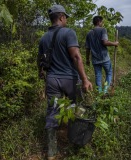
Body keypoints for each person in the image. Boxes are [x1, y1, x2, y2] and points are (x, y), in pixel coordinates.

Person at [38, 4, 93, 160]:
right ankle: (74, 138)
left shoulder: (44, 37)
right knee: (77, 107)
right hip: (70, 79)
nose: (67, 20)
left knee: (52, 111)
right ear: (61, 17)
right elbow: (76, 57)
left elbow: (40, 60)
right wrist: (85, 79)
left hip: (52, 79)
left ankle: (51, 151)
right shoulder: (69, 33)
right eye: (66, 17)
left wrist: (40, 74)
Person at [85, 16, 119, 94]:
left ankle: (99, 93)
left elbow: (87, 48)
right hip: (104, 58)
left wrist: (87, 60)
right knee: (109, 73)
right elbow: (105, 42)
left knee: (98, 76)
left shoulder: (89, 33)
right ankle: (105, 91)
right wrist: (115, 43)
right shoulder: (103, 30)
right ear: (99, 22)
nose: (102, 23)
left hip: (95, 59)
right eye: (102, 22)